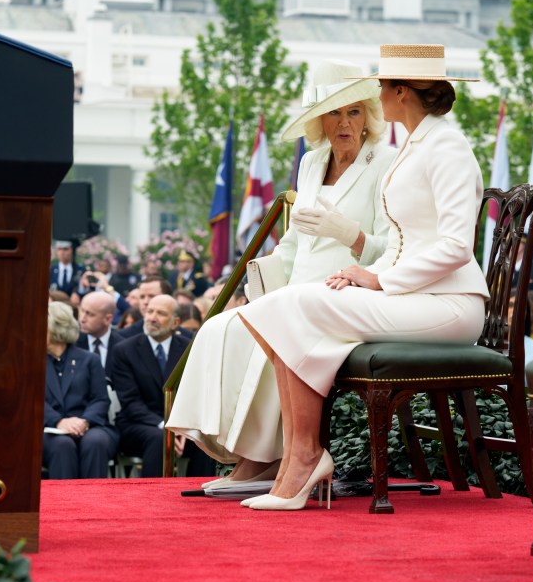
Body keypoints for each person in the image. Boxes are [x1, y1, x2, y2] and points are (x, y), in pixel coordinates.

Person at [234, 44, 489, 510]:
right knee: (276, 307)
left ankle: (304, 459)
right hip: (413, 296)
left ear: (403, 92)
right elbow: (398, 240)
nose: (376, 93)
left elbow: (456, 247)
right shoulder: (415, 143)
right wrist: (364, 272)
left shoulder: (447, 145)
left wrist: (379, 281)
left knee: (293, 307)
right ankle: (299, 455)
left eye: (382, 85)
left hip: (451, 305)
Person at [167, 58, 396, 488]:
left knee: (279, 327)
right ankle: (256, 454)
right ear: (318, 121)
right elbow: (293, 243)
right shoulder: (312, 162)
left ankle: (265, 459)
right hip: (296, 288)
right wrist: (260, 281)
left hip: (346, 294)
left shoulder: (387, 163)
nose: (344, 122)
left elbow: (393, 252)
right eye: (333, 112)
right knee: (223, 327)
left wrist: (349, 234)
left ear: (369, 114)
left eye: (353, 111)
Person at [109, 295, 215, 478]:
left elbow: (197, 394)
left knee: (205, 437)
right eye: (149, 311)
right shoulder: (124, 350)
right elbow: (131, 402)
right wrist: (166, 427)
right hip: (138, 424)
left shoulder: (190, 348)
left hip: (182, 422)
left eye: (161, 313)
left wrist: (185, 427)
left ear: (175, 322)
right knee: (159, 438)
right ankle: (154, 498)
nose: (152, 317)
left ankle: (197, 496)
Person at [43, 302, 117, 479]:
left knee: (95, 442)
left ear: (55, 328)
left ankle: (94, 501)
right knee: (62, 445)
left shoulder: (89, 359)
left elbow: (100, 399)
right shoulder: (32, 360)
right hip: (48, 428)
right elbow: (32, 400)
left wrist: (84, 421)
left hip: (89, 425)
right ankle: (64, 504)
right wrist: (58, 421)